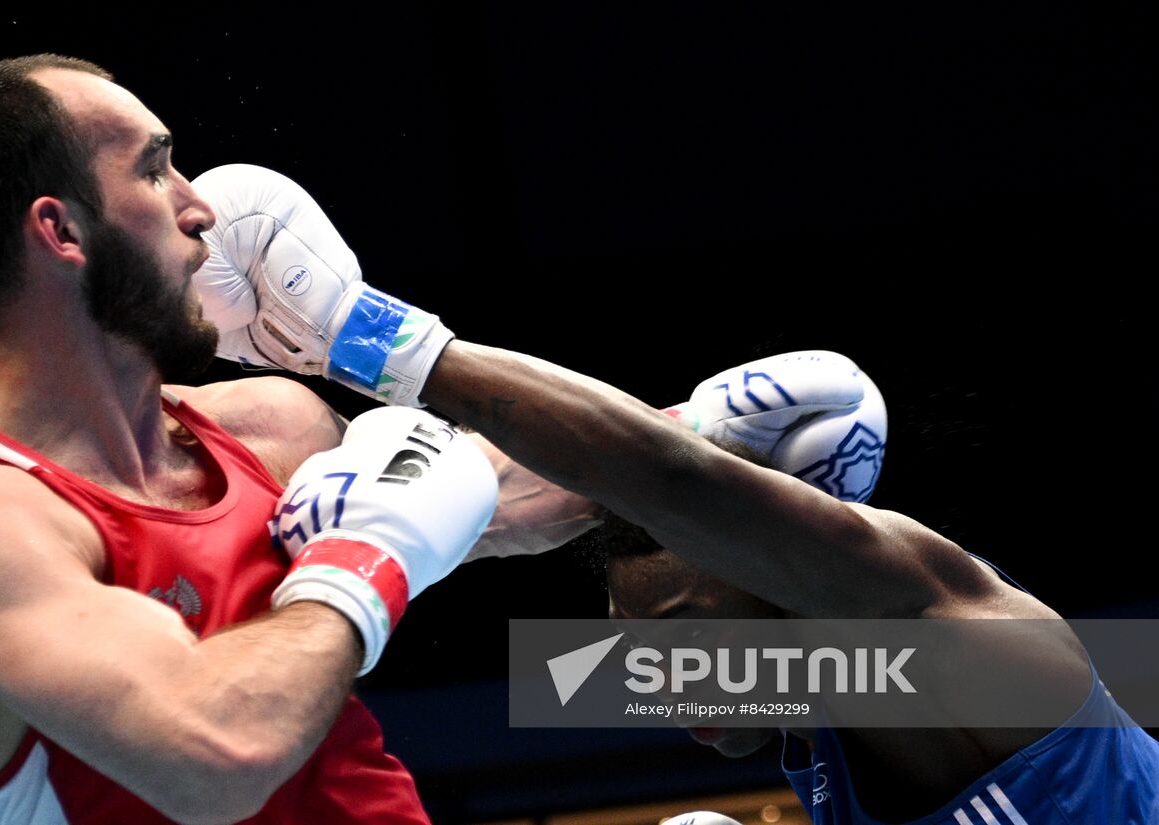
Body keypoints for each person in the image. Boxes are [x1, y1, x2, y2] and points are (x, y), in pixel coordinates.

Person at [191, 165, 1159, 824]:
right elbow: (637, 487)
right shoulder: (838, 711)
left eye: (688, 645)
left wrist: (350, 334)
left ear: (781, 589)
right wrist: (460, 519)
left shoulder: (964, 647)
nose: (659, 682)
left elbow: (664, 482)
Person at [0, 55, 501, 825]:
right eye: (156, 170)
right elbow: (218, 759)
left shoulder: (267, 427)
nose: (203, 208)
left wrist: (387, 345)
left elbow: (533, 484)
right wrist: (364, 560)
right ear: (60, 228)